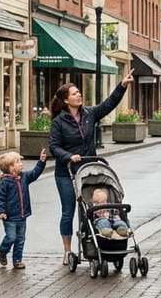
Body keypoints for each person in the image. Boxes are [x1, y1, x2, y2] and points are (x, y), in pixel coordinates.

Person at [48, 72, 134, 265]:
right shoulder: (59, 122)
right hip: (67, 172)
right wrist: (68, 156)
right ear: (65, 100)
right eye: (74, 93)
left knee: (94, 208)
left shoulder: (89, 114)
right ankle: (68, 251)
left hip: (88, 171)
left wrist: (122, 85)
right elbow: (54, 146)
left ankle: (94, 244)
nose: (79, 95)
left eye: (79, 92)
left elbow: (108, 104)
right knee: (68, 211)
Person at [0, 149, 48, 270]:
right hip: (10, 217)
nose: (21, 164)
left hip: (22, 215)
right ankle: (2, 251)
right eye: (18, 162)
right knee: (11, 237)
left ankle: (17, 260)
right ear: (11, 168)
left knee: (20, 239)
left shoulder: (24, 177)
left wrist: (41, 162)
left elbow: (35, 173)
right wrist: (1, 211)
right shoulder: (4, 182)